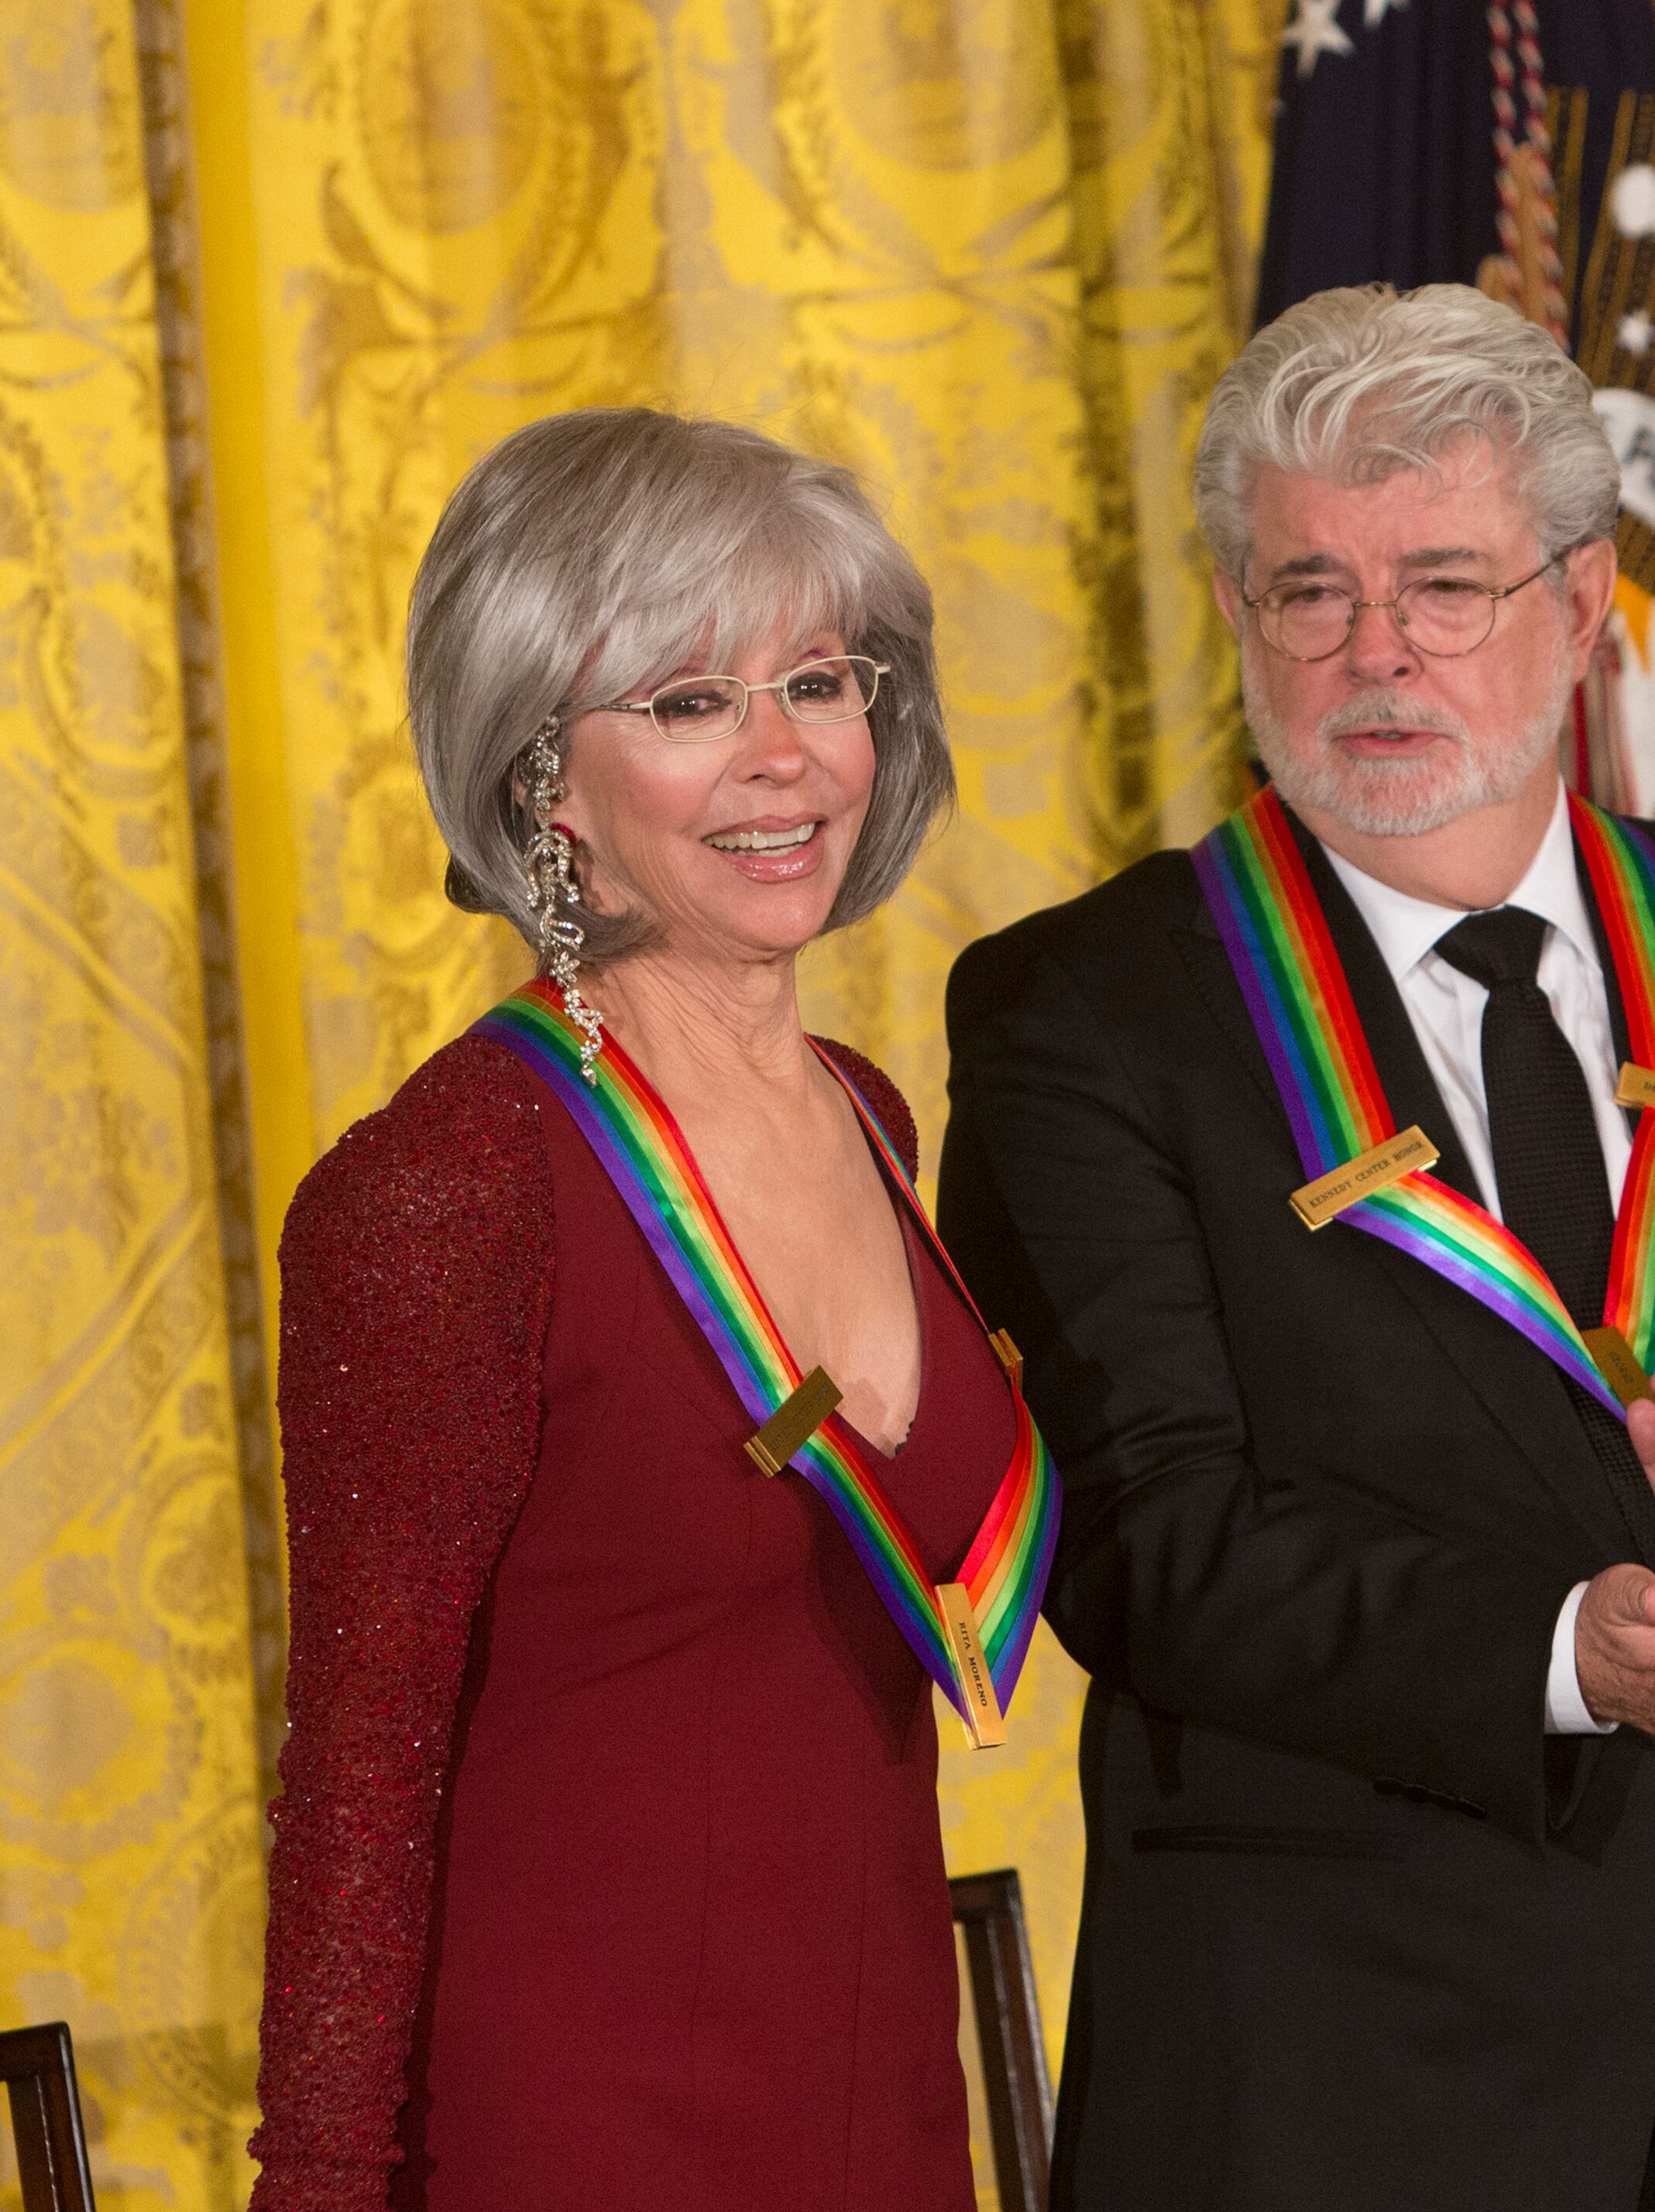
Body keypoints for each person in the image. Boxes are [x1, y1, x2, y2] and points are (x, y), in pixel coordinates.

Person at [934, 283, 1655, 2212]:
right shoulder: (1087, 1010)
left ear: (1579, 608)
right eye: (1311, 591)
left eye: (1445, 584)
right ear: (1235, 617)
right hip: (1345, 2087)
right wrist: (1574, 1653)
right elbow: (1145, 1532)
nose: (1376, 653)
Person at [249, 410, 1056, 2212]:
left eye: (820, 680)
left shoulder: (873, 1111)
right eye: (691, 702)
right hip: (586, 2134)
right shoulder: (447, 1188)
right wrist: (312, 2187)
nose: (787, 757)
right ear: (544, 775)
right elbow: (358, 1775)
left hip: (885, 2113)